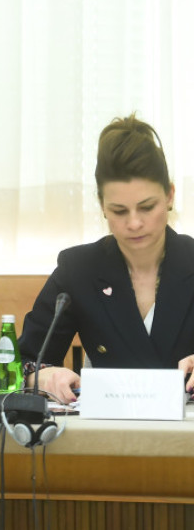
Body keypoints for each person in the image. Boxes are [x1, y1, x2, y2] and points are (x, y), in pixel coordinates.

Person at [18, 113, 194, 403]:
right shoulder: (79, 270)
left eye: (147, 207)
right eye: (119, 211)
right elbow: (20, 362)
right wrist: (40, 376)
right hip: (108, 427)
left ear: (170, 196)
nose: (134, 223)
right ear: (101, 206)